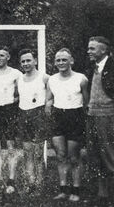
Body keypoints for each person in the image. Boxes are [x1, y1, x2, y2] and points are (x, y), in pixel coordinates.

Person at [45, 48, 89, 202]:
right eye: (58, 60)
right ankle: (63, 189)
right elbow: (49, 99)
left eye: (64, 59)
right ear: (55, 62)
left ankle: (76, 190)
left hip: (75, 116)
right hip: (58, 116)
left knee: (74, 157)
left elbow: (86, 102)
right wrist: (48, 109)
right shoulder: (52, 79)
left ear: (71, 61)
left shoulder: (81, 79)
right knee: (60, 155)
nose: (61, 63)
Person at [0, 45, 22, 193]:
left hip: (10, 111)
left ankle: (11, 182)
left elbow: (23, 92)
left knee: (10, 147)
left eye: (2, 55)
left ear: (8, 57)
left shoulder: (16, 73)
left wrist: (12, 102)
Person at [85, 36, 114, 206]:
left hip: (108, 117)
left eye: (92, 49)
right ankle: (102, 196)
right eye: (89, 48)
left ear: (103, 50)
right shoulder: (92, 67)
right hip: (92, 117)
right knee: (95, 156)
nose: (88, 51)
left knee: (110, 155)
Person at [16, 48, 49, 192]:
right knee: (27, 152)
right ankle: (31, 183)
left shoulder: (45, 77)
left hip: (39, 115)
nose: (25, 63)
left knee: (38, 153)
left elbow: (51, 97)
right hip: (24, 115)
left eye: (28, 60)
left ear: (35, 61)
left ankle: (40, 185)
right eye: (23, 61)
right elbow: (17, 96)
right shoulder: (19, 79)